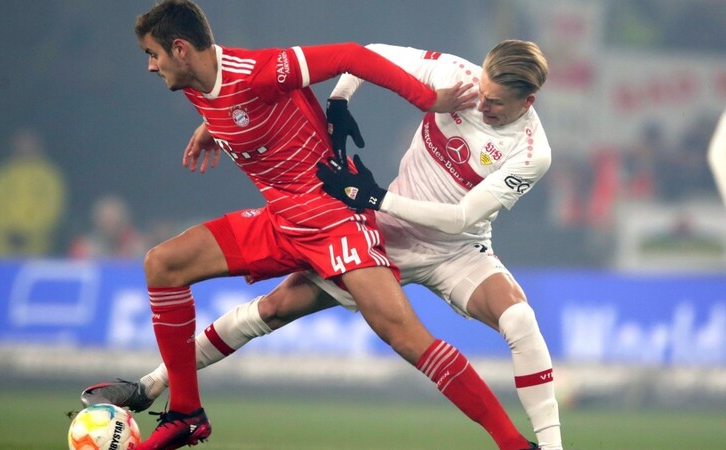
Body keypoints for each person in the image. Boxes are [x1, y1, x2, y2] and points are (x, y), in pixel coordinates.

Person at [95, 1, 538, 448]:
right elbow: (237, 108)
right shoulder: (197, 83)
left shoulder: (259, 72)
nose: (151, 67)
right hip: (283, 218)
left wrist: (426, 100)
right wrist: (214, 126)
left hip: (334, 220)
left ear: (181, 49)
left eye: (153, 55)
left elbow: (350, 54)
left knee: (405, 337)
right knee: (164, 264)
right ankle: (185, 412)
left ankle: (514, 443)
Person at [0, 127, 67, 257]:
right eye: (21, 142)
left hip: (36, 249)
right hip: (1, 250)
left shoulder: (49, 175)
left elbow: (54, 209)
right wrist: (5, 232)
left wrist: (29, 234)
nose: (25, 146)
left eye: (29, 142)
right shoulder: (1, 173)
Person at [68, 194, 147, 259]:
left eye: (114, 221)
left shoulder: (135, 245)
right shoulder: (83, 246)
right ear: (97, 221)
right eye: (106, 221)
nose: (110, 227)